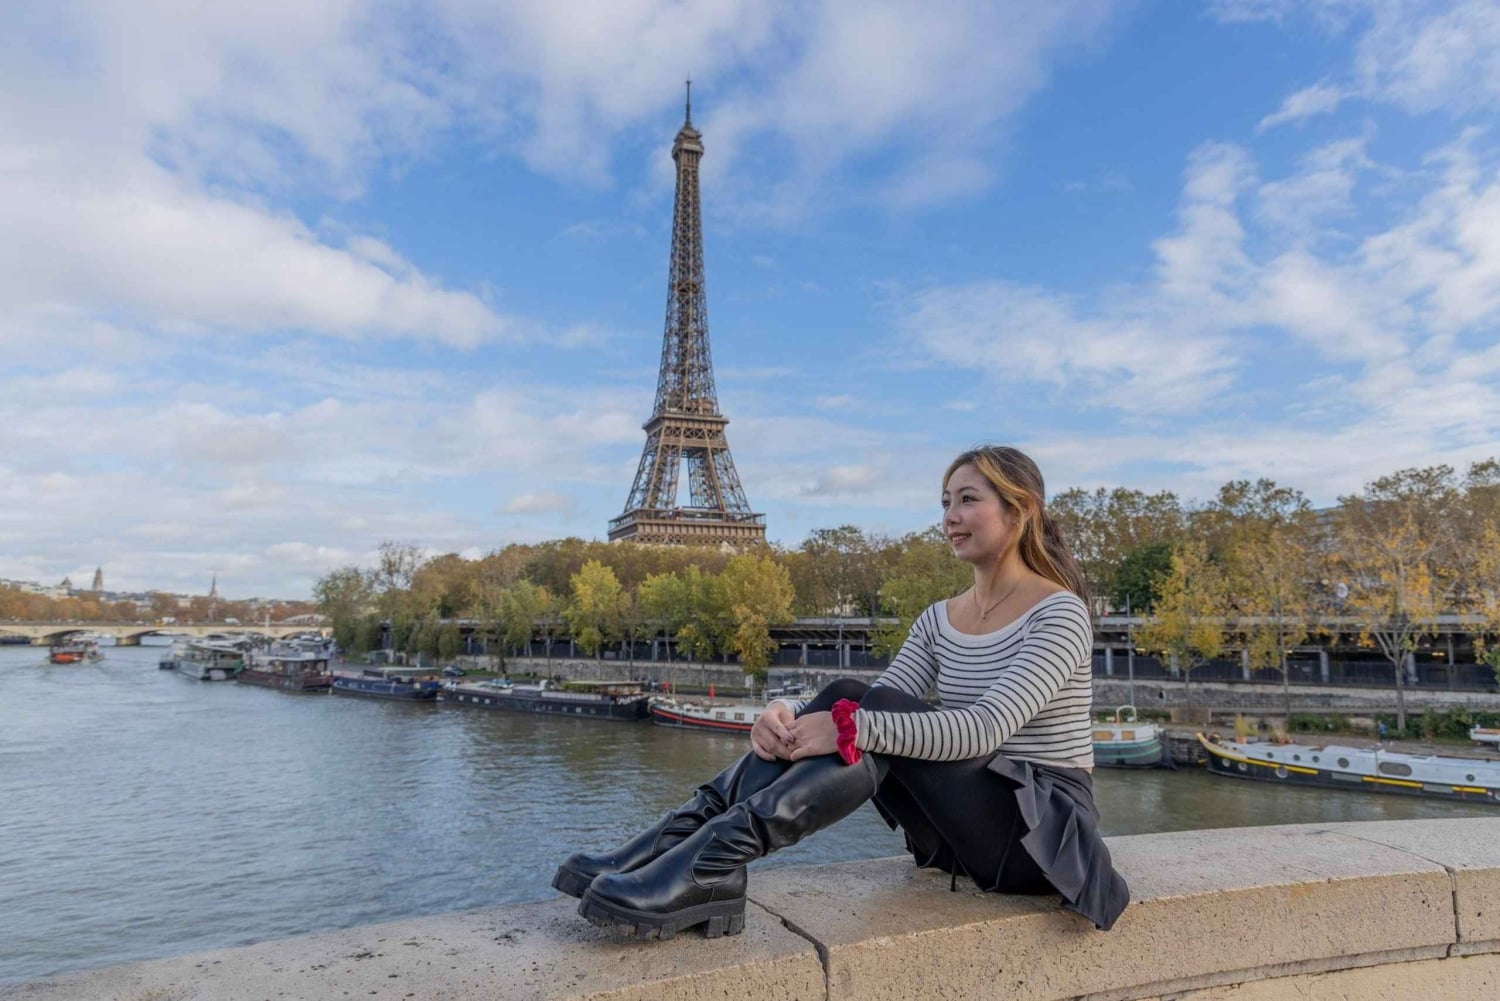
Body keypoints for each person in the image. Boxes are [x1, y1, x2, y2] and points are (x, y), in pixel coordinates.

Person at [554, 445, 1130, 939]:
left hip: (1039, 837)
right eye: (945, 502)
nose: (950, 516)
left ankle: (709, 862)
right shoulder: (939, 617)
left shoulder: (1058, 612)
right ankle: (688, 846)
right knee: (850, 695)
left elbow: (982, 730)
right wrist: (783, 722)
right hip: (960, 834)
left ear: (1021, 510)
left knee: (857, 707)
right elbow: (880, 700)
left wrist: (849, 723)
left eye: (968, 499)